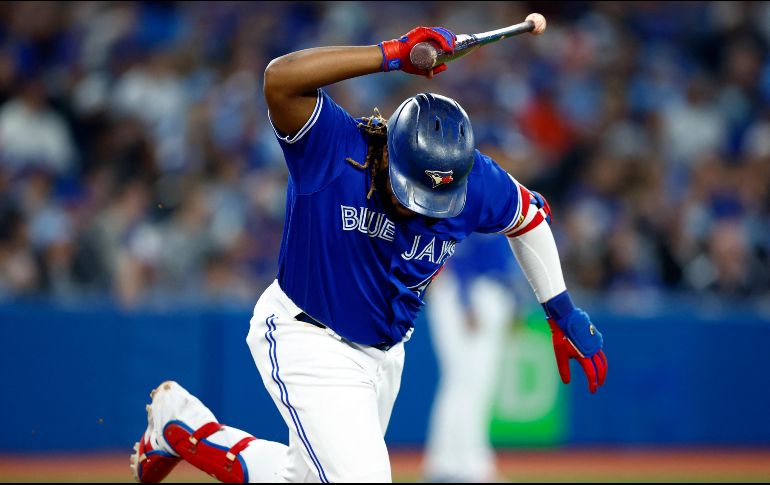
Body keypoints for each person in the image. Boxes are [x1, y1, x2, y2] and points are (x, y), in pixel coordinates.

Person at [130, 24, 607, 484]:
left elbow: (530, 220)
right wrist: (393, 54)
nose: (422, 204)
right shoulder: (334, 147)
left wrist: (560, 310)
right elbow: (279, 79)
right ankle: (183, 429)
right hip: (308, 336)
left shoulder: (471, 178)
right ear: (389, 152)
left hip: (384, 355)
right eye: (413, 188)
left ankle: (183, 429)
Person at [423, 232, 517, 483]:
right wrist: (466, 301)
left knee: (467, 384)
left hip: (485, 292)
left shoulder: (509, 198)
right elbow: (460, 249)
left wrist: (514, 303)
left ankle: (449, 463)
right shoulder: (474, 195)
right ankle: (465, 466)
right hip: (467, 293)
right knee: (466, 382)